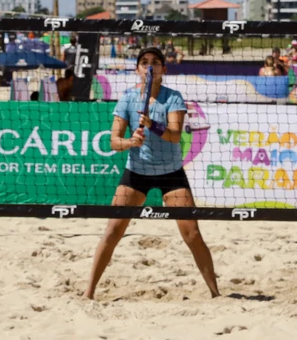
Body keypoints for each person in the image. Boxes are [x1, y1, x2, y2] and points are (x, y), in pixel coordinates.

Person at [85, 47, 219, 300]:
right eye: (144, 62)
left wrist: (152, 125)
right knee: (113, 231)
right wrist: (130, 142)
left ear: (163, 70)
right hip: (136, 172)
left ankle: (215, 293)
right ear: (137, 69)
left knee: (192, 234)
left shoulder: (173, 98)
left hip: (171, 173)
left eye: (155, 62)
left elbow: (175, 135)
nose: (149, 66)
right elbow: (114, 142)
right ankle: (88, 293)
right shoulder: (127, 99)